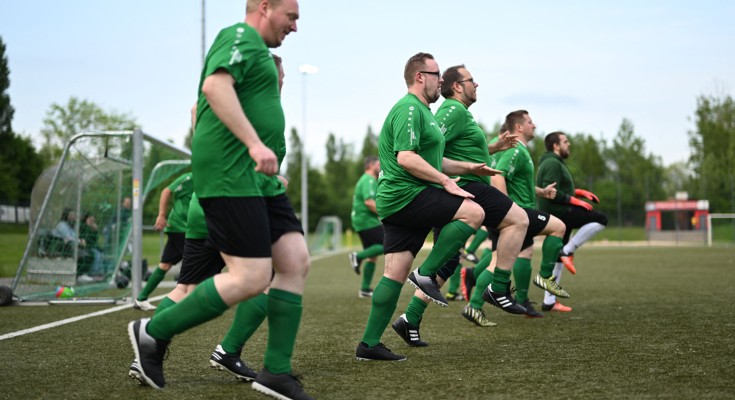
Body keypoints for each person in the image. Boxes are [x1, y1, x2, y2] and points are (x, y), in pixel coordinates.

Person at [127, 1, 312, 399]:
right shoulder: (239, 35)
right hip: (231, 179)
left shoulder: (260, 53)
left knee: (295, 261)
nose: (295, 27)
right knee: (250, 277)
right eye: (291, 16)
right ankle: (152, 332)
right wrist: (252, 145)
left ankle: (275, 372)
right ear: (264, 7)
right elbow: (213, 88)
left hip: (260, 183)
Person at [355, 53, 521, 361]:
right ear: (420, 76)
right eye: (435, 75)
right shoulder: (408, 108)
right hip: (405, 195)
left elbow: (432, 159)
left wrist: (471, 168)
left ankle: (369, 344)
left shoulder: (424, 111)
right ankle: (427, 274)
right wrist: (446, 181)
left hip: (401, 199)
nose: (440, 81)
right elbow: (406, 157)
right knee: (474, 212)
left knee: (394, 273)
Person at [390, 65, 532, 346]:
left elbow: (447, 148)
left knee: (448, 262)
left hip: (463, 186)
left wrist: (492, 148)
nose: (476, 85)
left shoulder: (461, 113)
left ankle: (409, 319)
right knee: (520, 220)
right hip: (465, 188)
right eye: (471, 80)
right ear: (457, 86)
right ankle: (498, 287)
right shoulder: (452, 110)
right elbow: (431, 145)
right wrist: (445, 179)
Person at [488, 110, 571, 318]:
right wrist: (507, 210)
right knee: (559, 226)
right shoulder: (515, 149)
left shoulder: (521, 150)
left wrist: (541, 192)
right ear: (519, 127)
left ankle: (521, 301)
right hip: (518, 213)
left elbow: (517, 181)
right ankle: (544, 277)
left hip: (520, 212)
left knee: (518, 256)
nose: (534, 125)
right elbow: (498, 176)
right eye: (530, 122)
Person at [536, 131, 608, 312]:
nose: (569, 145)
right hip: (559, 212)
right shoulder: (552, 162)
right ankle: (568, 250)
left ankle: (549, 301)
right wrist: (574, 201)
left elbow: (560, 188)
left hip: (560, 212)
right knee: (601, 219)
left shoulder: (555, 162)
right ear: (556, 146)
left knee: (557, 260)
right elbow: (551, 192)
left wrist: (578, 192)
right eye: (565, 141)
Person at [134, 171, 193, 311]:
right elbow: (166, 191)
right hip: (180, 227)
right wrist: (161, 215)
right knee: (197, 262)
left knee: (165, 265)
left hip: (185, 228)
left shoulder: (211, 179)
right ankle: (186, 300)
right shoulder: (189, 177)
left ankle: (141, 298)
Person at [348, 156, 384, 298]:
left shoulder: (370, 180)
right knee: (387, 244)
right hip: (365, 220)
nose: (380, 166)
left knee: (373, 254)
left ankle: (364, 289)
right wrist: (385, 214)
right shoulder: (368, 180)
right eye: (378, 164)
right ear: (370, 165)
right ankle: (357, 256)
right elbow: (369, 202)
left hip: (364, 220)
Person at [79, 212, 105, 277]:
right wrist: (88, 227)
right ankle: (93, 273)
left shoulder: (92, 228)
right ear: (86, 219)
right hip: (84, 246)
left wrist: (95, 231)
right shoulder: (82, 226)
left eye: (93, 221)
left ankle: (99, 272)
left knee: (101, 254)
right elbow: (85, 237)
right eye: (90, 220)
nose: (91, 222)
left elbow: (94, 239)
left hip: (91, 246)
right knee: (97, 254)